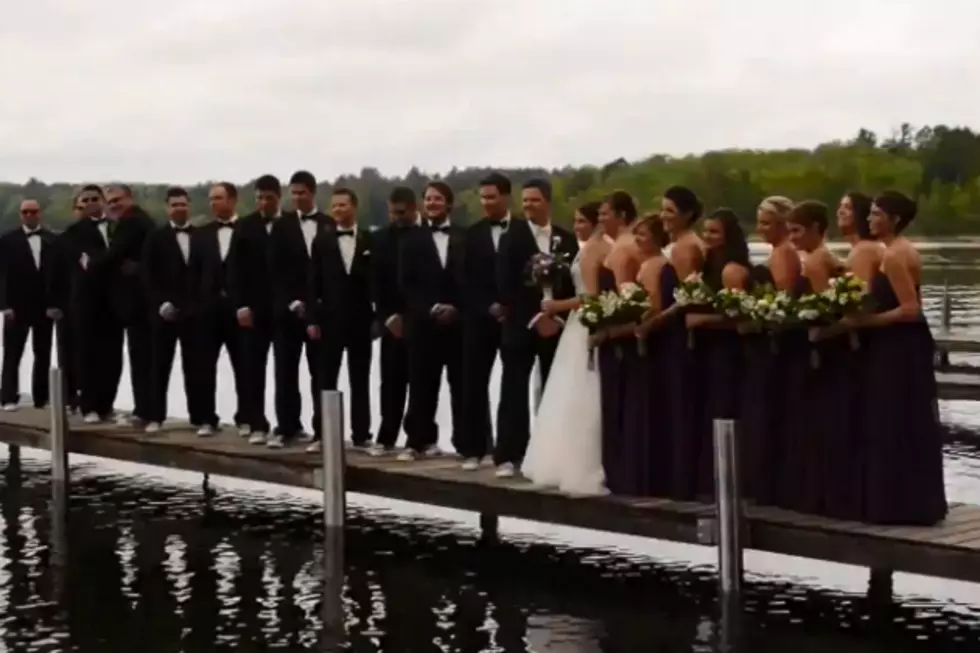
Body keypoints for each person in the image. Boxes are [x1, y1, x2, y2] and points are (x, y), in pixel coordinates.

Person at [841, 191, 948, 525]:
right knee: (898, 419)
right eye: (870, 213)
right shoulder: (895, 250)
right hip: (897, 343)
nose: (870, 219)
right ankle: (903, 500)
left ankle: (901, 504)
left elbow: (911, 309)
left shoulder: (897, 255)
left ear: (895, 219)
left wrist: (867, 321)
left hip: (899, 347)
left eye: (876, 214)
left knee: (894, 418)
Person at [493, 178, 578, 478]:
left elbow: (570, 283)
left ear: (548, 202)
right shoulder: (511, 237)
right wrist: (535, 317)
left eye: (534, 200)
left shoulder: (566, 240)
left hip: (556, 327)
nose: (528, 205)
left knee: (555, 389)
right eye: (525, 200)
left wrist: (555, 317)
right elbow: (504, 284)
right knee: (513, 389)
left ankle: (550, 455)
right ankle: (507, 455)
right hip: (520, 325)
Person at [521, 201, 605, 495]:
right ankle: (558, 455)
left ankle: (581, 460)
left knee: (581, 387)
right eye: (575, 220)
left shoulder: (596, 249)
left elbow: (591, 296)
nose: (577, 226)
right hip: (574, 324)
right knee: (565, 387)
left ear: (596, 222)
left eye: (582, 220)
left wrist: (557, 305)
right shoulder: (586, 247)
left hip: (582, 320)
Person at [396, 182, 465, 461]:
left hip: (458, 324)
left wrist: (456, 307)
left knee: (462, 385)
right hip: (423, 324)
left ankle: (468, 444)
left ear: (449, 204)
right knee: (422, 384)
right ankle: (417, 441)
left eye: (438, 199)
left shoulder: (465, 236)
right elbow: (406, 283)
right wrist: (431, 307)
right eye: (428, 199)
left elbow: (473, 278)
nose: (432, 203)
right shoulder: (411, 239)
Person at [684, 208, 750, 498]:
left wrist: (703, 320)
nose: (707, 237)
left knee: (725, 408)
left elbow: (740, 316)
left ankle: (730, 480)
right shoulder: (709, 265)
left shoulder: (731, 270)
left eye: (714, 232)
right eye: (705, 231)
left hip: (727, 350)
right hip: (708, 350)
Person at [306, 187, 375, 453]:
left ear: (354, 207)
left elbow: (376, 282)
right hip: (329, 321)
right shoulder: (321, 242)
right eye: (334, 206)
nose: (337, 210)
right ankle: (322, 434)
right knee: (325, 380)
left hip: (361, 321)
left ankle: (361, 435)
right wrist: (312, 319)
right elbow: (313, 283)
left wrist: (378, 317)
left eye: (342, 205)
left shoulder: (369, 240)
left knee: (361, 379)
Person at [268, 170, 330, 446]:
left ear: (313, 193)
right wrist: (292, 302)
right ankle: (287, 427)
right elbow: (273, 270)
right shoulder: (281, 227)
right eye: (293, 193)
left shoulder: (329, 224)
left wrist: (316, 304)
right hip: (287, 311)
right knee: (285, 372)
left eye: (301, 192)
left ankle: (322, 432)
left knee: (322, 374)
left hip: (319, 312)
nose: (296, 197)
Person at [458, 172, 512, 470]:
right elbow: (464, 278)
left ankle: (508, 452)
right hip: (479, 320)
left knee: (511, 386)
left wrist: (509, 306)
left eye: (492, 197)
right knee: (474, 384)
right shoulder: (472, 234)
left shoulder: (521, 231)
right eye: (483, 197)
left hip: (513, 319)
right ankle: (474, 450)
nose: (486, 203)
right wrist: (487, 305)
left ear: (506, 197)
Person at [188, 182, 247, 436]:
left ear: (233, 200)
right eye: (211, 199)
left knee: (245, 366)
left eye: (219, 198)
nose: (213, 203)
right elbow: (193, 273)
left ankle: (247, 418)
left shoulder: (248, 230)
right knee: (204, 366)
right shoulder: (201, 234)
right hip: (208, 310)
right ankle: (206, 419)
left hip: (240, 309)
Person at [141, 187, 202, 433]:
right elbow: (147, 275)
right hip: (163, 312)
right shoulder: (155, 238)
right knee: (158, 366)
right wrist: (161, 303)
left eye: (183, 204)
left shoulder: (200, 236)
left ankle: (199, 418)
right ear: (168, 208)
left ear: (189, 206)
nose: (179, 208)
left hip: (193, 312)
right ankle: (155, 417)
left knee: (196, 367)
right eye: (174, 204)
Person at [233, 174, 282, 445]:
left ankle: (288, 425)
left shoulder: (290, 224)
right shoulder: (245, 226)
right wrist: (240, 305)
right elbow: (235, 270)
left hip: (284, 309)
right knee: (253, 368)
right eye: (259, 198)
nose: (263, 203)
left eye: (269, 198)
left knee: (285, 370)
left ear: (279, 197)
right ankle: (256, 423)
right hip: (253, 308)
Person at [369, 187, 418, 455]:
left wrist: (413, 316)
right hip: (390, 319)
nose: (397, 217)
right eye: (392, 212)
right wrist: (387, 317)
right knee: (390, 381)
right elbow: (374, 282)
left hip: (420, 318)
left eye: (401, 213)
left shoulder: (424, 236)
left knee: (420, 381)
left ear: (413, 208)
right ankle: (386, 436)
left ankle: (417, 439)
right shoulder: (378, 240)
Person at [103, 184, 156, 426]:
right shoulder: (145, 220)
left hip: (138, 302)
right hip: (145, 300)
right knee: (144, 357)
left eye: (118, 199)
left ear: (129, 198)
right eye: (110, 201)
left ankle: (143, 411)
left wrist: (90, 263)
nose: (114, 204)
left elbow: (113, 254)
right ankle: (146, 408)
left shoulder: (131, 222)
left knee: (141, 357)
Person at [0, 199, 56, 410]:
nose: (30, 215)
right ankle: (7, 397)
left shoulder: (52, 239)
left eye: (33, 211)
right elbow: (1, 276)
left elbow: (57, 275)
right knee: (12, 354)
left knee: (43, 353)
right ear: (20, 214)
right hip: (16, 306)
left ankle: (41, 398)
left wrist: (55, 303)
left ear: (40, 213)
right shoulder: (6, 240)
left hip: (44, 306)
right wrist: (4, 305)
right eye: (25, 212)